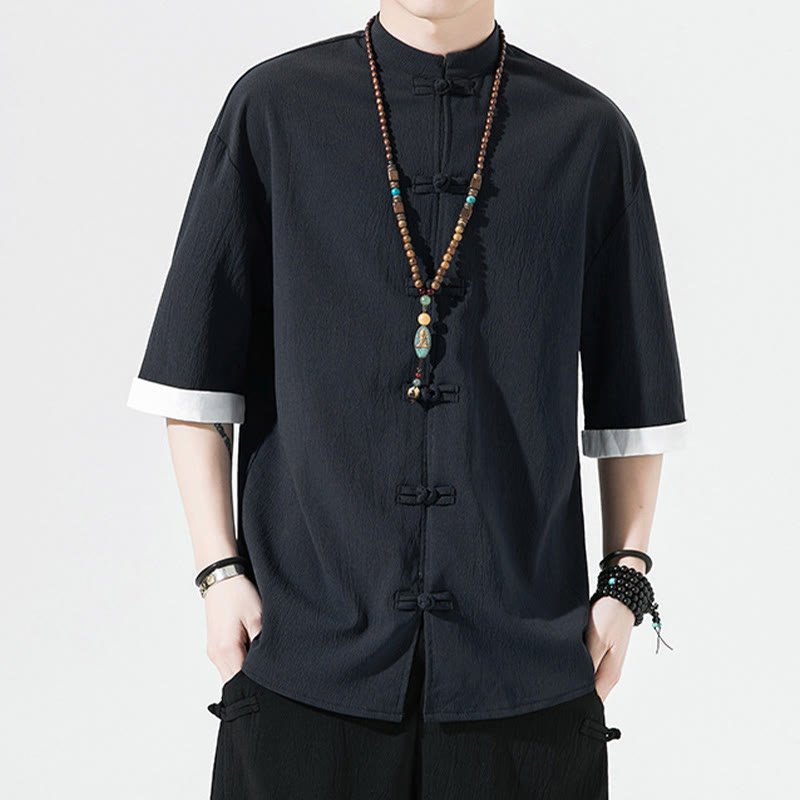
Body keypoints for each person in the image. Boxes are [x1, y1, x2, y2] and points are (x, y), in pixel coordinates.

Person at [126, 1, 687, 797]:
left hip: (526, 673)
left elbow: (633, 404)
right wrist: (218, 573)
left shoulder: (588, 134)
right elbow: (193, 374)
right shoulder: (274, 109)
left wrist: (625, 585)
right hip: (301, 656)